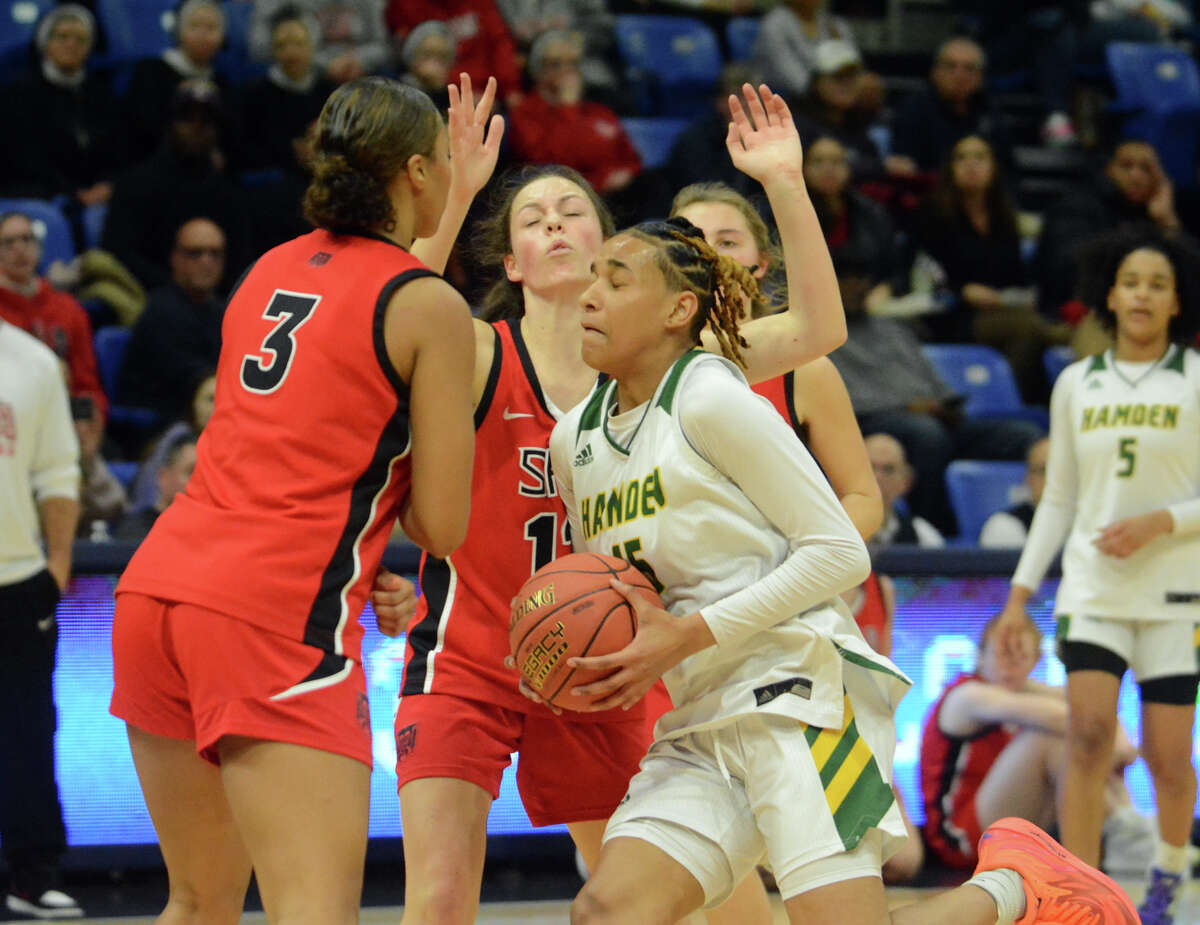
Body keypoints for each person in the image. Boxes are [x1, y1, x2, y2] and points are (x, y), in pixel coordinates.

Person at [542, 208, 1136, 925]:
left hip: (803, 700)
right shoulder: (572, 437)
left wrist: (688, 633)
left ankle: (1015, 888)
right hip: (700, 718)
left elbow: (837, 552)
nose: (590, 294)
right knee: (605, 912)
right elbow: (602, 590)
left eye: (616, 277)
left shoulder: (711, 398)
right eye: (593, 278)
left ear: (678, 309)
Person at [372, 81, 852, 925]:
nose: (554, 222)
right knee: (438, 902)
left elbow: (816, 329)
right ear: (512, 262)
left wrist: (785, 184)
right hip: (467, 660)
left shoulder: (671, 368)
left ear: (608, 250)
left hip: (601, 664)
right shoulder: (474, 351)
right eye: (531, 217)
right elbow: (381, 320)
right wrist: (458, 193)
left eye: (573, 211)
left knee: (690, 907)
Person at [108, 76, 476, 925]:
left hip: (158, 590)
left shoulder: (271, 267)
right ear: (417, 172)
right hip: (273, 615)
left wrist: (359, 537)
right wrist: (378, 527)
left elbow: (309, 429)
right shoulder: (433, 308)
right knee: (313, 913)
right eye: (451, 161)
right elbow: (443, 524)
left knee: (198, 905)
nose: (458, 175)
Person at [669, 179, 924, 884]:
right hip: (686, 651)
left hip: (790, 646)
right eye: (691, 239)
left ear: (758, 265)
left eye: (728, 240)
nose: (709, 253)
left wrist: (797, 561)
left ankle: (1004, 890)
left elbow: (862, 499)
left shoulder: (803, 369)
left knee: (827, 881)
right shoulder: (643, 377)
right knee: (701, 884)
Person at [991, 227, 1200, 925]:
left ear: (1177, 302)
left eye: (1158, 283)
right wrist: (1019, 596)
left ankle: (1169, 878)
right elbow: (1059, 498)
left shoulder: (1196, 378)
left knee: (1170, 758)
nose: (1142, 293)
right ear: (1109, 294)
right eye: (1132, 280)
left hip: (1176, 593)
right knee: (1085, 734)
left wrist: (1161, 522)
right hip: (1094, 588)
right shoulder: (1078, 382)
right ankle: (1080, 892)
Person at [921, 611, 1156, 876]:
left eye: (1021, 656)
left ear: (1035, 661)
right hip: (960, 839)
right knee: (1050, 739)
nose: (1010, 665)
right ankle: (1127, 834)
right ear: (980, 655)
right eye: (1002, 653)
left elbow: (1101, 720)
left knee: (1085, 744)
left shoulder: (1024, 689)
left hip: (1010, 828)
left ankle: (1128, 829)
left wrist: (1114, 745)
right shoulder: (968, 695)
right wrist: (1115, 746)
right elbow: (1068, 719)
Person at [829, 259, 1044, 535]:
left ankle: (1020, 524)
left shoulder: (893, 328)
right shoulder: (828, 335)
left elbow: (931, 377)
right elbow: (843, 401)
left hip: (933, 416)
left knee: (1025, 434)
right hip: (879, 423)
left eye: (862, 279)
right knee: (927, 436)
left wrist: (946, 402)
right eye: (848, 280)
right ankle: (933, 530)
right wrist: (910, 407)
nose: (857, 287)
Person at [0, 318, 82, 919]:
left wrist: (57, 565)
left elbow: (57, 470)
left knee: (29, 733)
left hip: (16, 576)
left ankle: (31, 877)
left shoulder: (30, 360)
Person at [918, 134, 1071, 402]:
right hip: (953, 313)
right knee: (1028, 329)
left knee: (1032, 322)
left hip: (1001, 307)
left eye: (980, 157)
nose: (971, 165)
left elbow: (1018, 275)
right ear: (950, 168)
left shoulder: (1004, 217)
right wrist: (962, 290)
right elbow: (919, 271)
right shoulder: (933, 215)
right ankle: (1020, 402)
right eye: (962, 158)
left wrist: (1020, 295)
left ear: (993, 166)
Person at [102, 80, 252, 292]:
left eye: (207, 122)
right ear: (171, 124)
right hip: (150, 301)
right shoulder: (135, 184)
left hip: (216, 305)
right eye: (188, 120)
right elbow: (118, 253)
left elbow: (240, 258)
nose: (197, 129)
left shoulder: (228, 193)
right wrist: (179, 289)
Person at [1037, 139, 1193, 319]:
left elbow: (1190, 282)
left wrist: (1168, 223)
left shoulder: (1161, 215)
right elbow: (1065, 273)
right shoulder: (1075, 206)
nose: (1136, 176)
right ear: (1108, 169)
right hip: (1081, 316)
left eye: (1146, 169)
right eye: (1126, 166)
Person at [0, 4, 124, 206]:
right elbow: (24, 160)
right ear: (44, 41)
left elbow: (120, 151)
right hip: (44, 194)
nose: (71, 45)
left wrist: (108, 185)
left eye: (80, 39)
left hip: (99, 197)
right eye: (62, 37)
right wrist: (72, 192)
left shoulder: (101, 95)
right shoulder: (19, 94)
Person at [506, 30, 642, 198]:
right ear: (537, 70)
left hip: (616, 196)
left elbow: (632, 159)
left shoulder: (599, 112)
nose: (566, 71)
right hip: (558, 196)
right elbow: (556, 166)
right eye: (555, 64)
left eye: (573, 64)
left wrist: (625, 174)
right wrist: (567, 108)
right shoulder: (525, 115)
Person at [118, 219, 227, 423]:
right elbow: (188, 378)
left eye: (215, 253)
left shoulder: (224, 312)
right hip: (158, 430)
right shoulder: (160, 312)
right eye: (196, 253)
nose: (206, 261)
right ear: (176, 258)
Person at [123, 0, 233, 163]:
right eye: (194, 26)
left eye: (211, 28)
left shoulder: (223, 82)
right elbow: (140, 130)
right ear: (179, 31)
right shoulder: (150, 71)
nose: (203, 35)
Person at [237, 6, 336, 174]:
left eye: (298, 43)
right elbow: (244, 152)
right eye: (282, 45)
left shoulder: (328, 92)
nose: (291, 52)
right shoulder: (254, 95)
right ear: (273, 50)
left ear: (312, 47)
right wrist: (289, 153)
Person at [890, 37, 1010, 174]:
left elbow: (1006, 171)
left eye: (969, 68)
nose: (959, 75)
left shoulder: (990, 114)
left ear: (981, 77)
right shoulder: (913, 112)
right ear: (935, 72)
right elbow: (906, 167)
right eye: (950, 66)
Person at [385, 0, 524, 107]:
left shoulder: (480, 3)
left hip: (487, 92)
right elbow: (410, 56)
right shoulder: (406, 5)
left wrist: (509, 88)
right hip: (435, 89)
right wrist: (458, 91)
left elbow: (499, 43)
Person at [129, 372, 216, 513]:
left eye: (225, 399)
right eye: (210, 399)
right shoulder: (177, 437)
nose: (217, 406)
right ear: (194, 403)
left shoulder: (239, 444)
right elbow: (148, 495)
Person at [249, 0, 393, 84]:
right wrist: (325, 64)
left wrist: (358, 60)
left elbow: (385, 45)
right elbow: (259, 47)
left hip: (363, 75)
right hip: (306, 80)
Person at [865, 433, 945, 548]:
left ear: (906, 481)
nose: (877, 477)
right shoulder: (833, 531)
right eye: (870, 467)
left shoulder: (922, 536)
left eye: (888, 469)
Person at [113, 434, 198, 542]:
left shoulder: (213, 533)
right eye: (191, 471)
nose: (201, 481)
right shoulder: (135, 533)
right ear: (163, 477)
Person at [979, 437, 1049, 548]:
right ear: (1029, 479)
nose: (1055, 480)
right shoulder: (1005, 527)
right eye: (1044, 471)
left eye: (1066, 471)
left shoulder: (1085, 525)